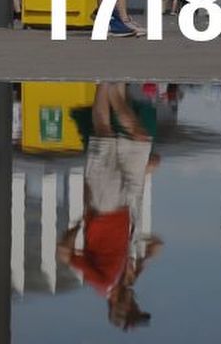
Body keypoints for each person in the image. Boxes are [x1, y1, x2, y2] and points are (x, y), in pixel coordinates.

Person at [58, 83, 163, 331]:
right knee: (140, 137)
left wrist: (80, 223)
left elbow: (64, 254)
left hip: (104, 206)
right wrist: (148, 255)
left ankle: (106, 82)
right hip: (126, 204)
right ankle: (113, 86)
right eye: (136, 308)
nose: (135, 304)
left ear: (115, 307)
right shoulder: (125, 282)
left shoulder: (102, 283)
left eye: (131, 309)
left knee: (104, 134)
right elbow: (135, 255)